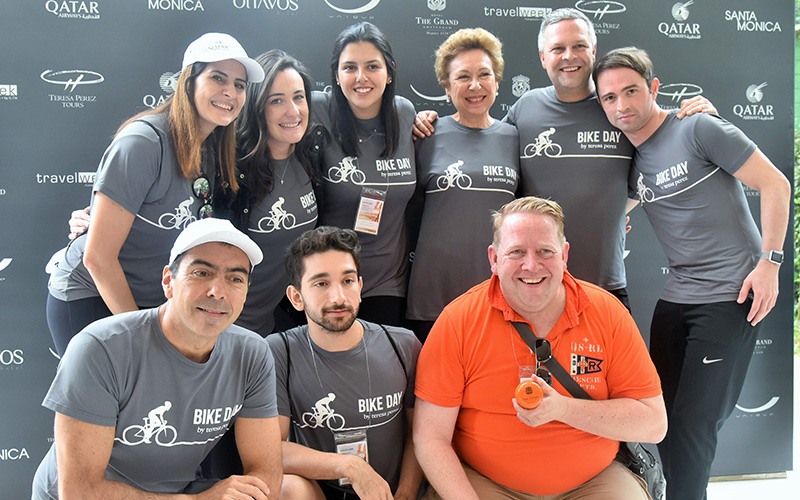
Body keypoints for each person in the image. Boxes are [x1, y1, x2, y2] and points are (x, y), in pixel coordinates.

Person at [413, 9, 713, 310]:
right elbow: (481, 144)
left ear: (593, 50)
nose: (569, 56)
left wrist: (695, 115)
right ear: (543, 57)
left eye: (579, 46)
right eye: (558, 48)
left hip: (605, 286)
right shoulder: (524, 110)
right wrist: (426, 121)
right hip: (535, 286)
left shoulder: (617, 108)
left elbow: (659, 147)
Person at [593, 47, 791, 500]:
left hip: (729, 296)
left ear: (653, 88)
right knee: (660, 420)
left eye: (631, 91)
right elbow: (611, 210)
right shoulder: (630, 159)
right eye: (609, 98)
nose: (622, 105)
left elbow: (775, 183)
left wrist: (770, 263)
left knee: (693, 425)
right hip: (676, 299)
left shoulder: (699, 127)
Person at [414, 197, 667, 499]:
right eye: (516, 252)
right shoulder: (458, 321)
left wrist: (563, 409)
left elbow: (654, 424)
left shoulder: (608, 314)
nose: (531, 265)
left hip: (593, 482)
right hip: (486, 482)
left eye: (545, 251)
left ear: (565, 255)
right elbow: (430, 437)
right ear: (494, 258)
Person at [45, 33, 264, 355]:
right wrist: (142, 333)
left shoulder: (212, 150)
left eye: (239, 84)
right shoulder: (143, 143)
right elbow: (97, 258)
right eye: (217, 78)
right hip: (91, 294)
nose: (230, 92)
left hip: (150, 300)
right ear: (188, 82)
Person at [32, 218, 282, 499]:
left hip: (178, 492)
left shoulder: (252, 353)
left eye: (235, 279)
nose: (217, 291)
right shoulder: (100, 348)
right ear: (168, 282)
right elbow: (80, 491)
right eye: (201, 273)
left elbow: (266, 473)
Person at [267, 226, 423, 500]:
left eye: (347, 281)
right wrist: (349, 466)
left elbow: (419, 433)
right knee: (283, 488)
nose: (338, 297)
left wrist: (407, 493)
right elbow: (269, 450)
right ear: (296, 297)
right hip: (318, 492)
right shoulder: (279, 351)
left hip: (389, 493)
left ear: (360, 288)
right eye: (321, 284)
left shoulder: (403, 345)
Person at [406, 27, 518, 341]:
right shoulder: (425, 134)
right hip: (433, 298)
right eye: (462, 77)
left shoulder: (514, 137)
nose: (475, 85)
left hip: (498, 295)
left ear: (497, 81)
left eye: (484, 74)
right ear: (446, 86)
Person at [312, 22, 417, 326]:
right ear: (336, 75)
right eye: (349, 67)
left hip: (388, 283)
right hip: (329, 282)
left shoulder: (404, 114)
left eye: (372, 66)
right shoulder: (317, 109)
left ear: (389, 71)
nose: (361, 77)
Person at [229, 49, 324, 336]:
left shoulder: (311, 155)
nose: (293, 111)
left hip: (272, 326)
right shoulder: (232, 169)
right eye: (277, 101)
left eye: (298, 97)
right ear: (257, 107)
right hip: (225, 325)